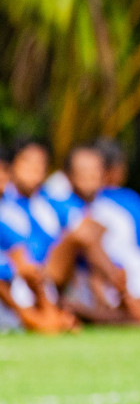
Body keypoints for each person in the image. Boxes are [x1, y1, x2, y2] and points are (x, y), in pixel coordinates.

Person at [63, 144, 140, 326]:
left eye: (95, 169)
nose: (90, 175)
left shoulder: (125, 201)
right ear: (69, 175)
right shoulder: (59, 205)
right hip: (98, 283)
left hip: (137, 276)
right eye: (83, 170)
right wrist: (117, 282)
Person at [0, 142, 75, 334]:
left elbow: (22, 259)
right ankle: (37, 317)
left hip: (28, 284)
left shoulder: (46, 205)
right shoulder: (9, 209)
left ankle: (43, 315)